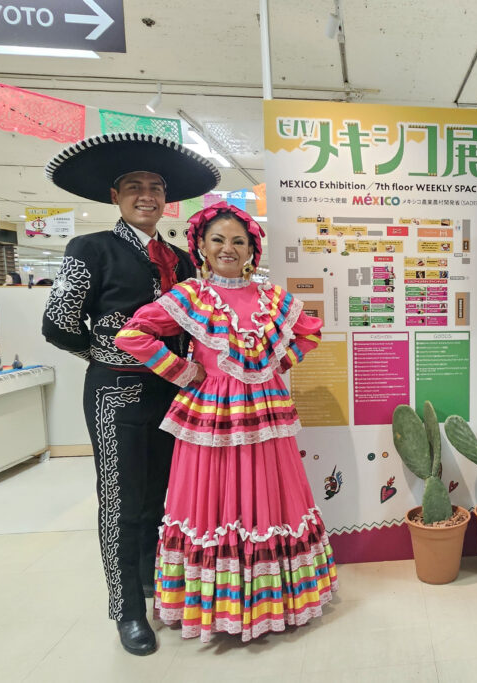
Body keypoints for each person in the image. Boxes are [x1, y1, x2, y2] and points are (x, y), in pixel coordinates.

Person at [114, 202, 337, 643]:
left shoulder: (273, 297)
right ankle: (220, 609)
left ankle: (274, 602)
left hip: (266, 416)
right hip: (212, 416)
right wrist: (183, 371)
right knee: (212, 500)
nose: (228, 248)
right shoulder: (191, 295)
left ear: (253, 248)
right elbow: (131, 335)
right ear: (200, 245)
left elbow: (311, 331)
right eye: (218, 240)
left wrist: (282, 364)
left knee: (269, 497)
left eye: (239, 241)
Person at [41, 133, 220, 655]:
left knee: (167, 498)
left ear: (167, 199)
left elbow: (195, 327)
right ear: (115, 195)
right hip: (116, 392)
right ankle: (126, 610)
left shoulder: (184, 259)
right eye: (135, 187)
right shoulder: (90, 248)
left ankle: (153, 582)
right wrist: (110, 355)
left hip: (177, 393)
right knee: (123, 502)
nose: (147, 195)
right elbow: (58, 324)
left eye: (156, 187)